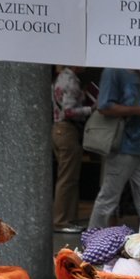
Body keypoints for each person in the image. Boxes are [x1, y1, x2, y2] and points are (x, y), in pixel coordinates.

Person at [86, 68, 140, 229]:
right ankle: (92, 240)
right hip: (124, 144)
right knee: (110, 196)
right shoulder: (114, 72)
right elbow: (104, 106)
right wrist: (139, 111)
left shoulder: (139, 73)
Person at [51, 65, 91, 231]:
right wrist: (91, 109)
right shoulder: (71, 80)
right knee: (67, 178)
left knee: (69, 177)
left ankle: (69, 218)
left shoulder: (60, 78)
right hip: (67, 129)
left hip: (58, 129)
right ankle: (61, 221)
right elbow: (68, 111)